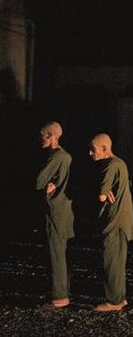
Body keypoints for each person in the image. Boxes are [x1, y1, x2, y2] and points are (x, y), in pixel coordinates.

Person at [90, 134, 133, 312]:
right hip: (124, 220)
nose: (90, 153)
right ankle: (119, 297)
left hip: (113, 220)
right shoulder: (121, 163)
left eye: (93, 150)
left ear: (104, 149)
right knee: (118, 259)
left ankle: (113, 301)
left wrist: (101, 192)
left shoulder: (109, 166)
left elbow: (102, 195)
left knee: (111, 260)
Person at [35, 122, 73, 310]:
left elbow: (38, 181)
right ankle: (61, 292)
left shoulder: (57, 157)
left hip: (55, 212)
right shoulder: (63, 157)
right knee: (60, 253)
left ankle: (59, 296)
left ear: (51, 136)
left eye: (42, 135)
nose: (40, 138)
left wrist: (50, 183)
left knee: (56, 254)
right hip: (62, 211)